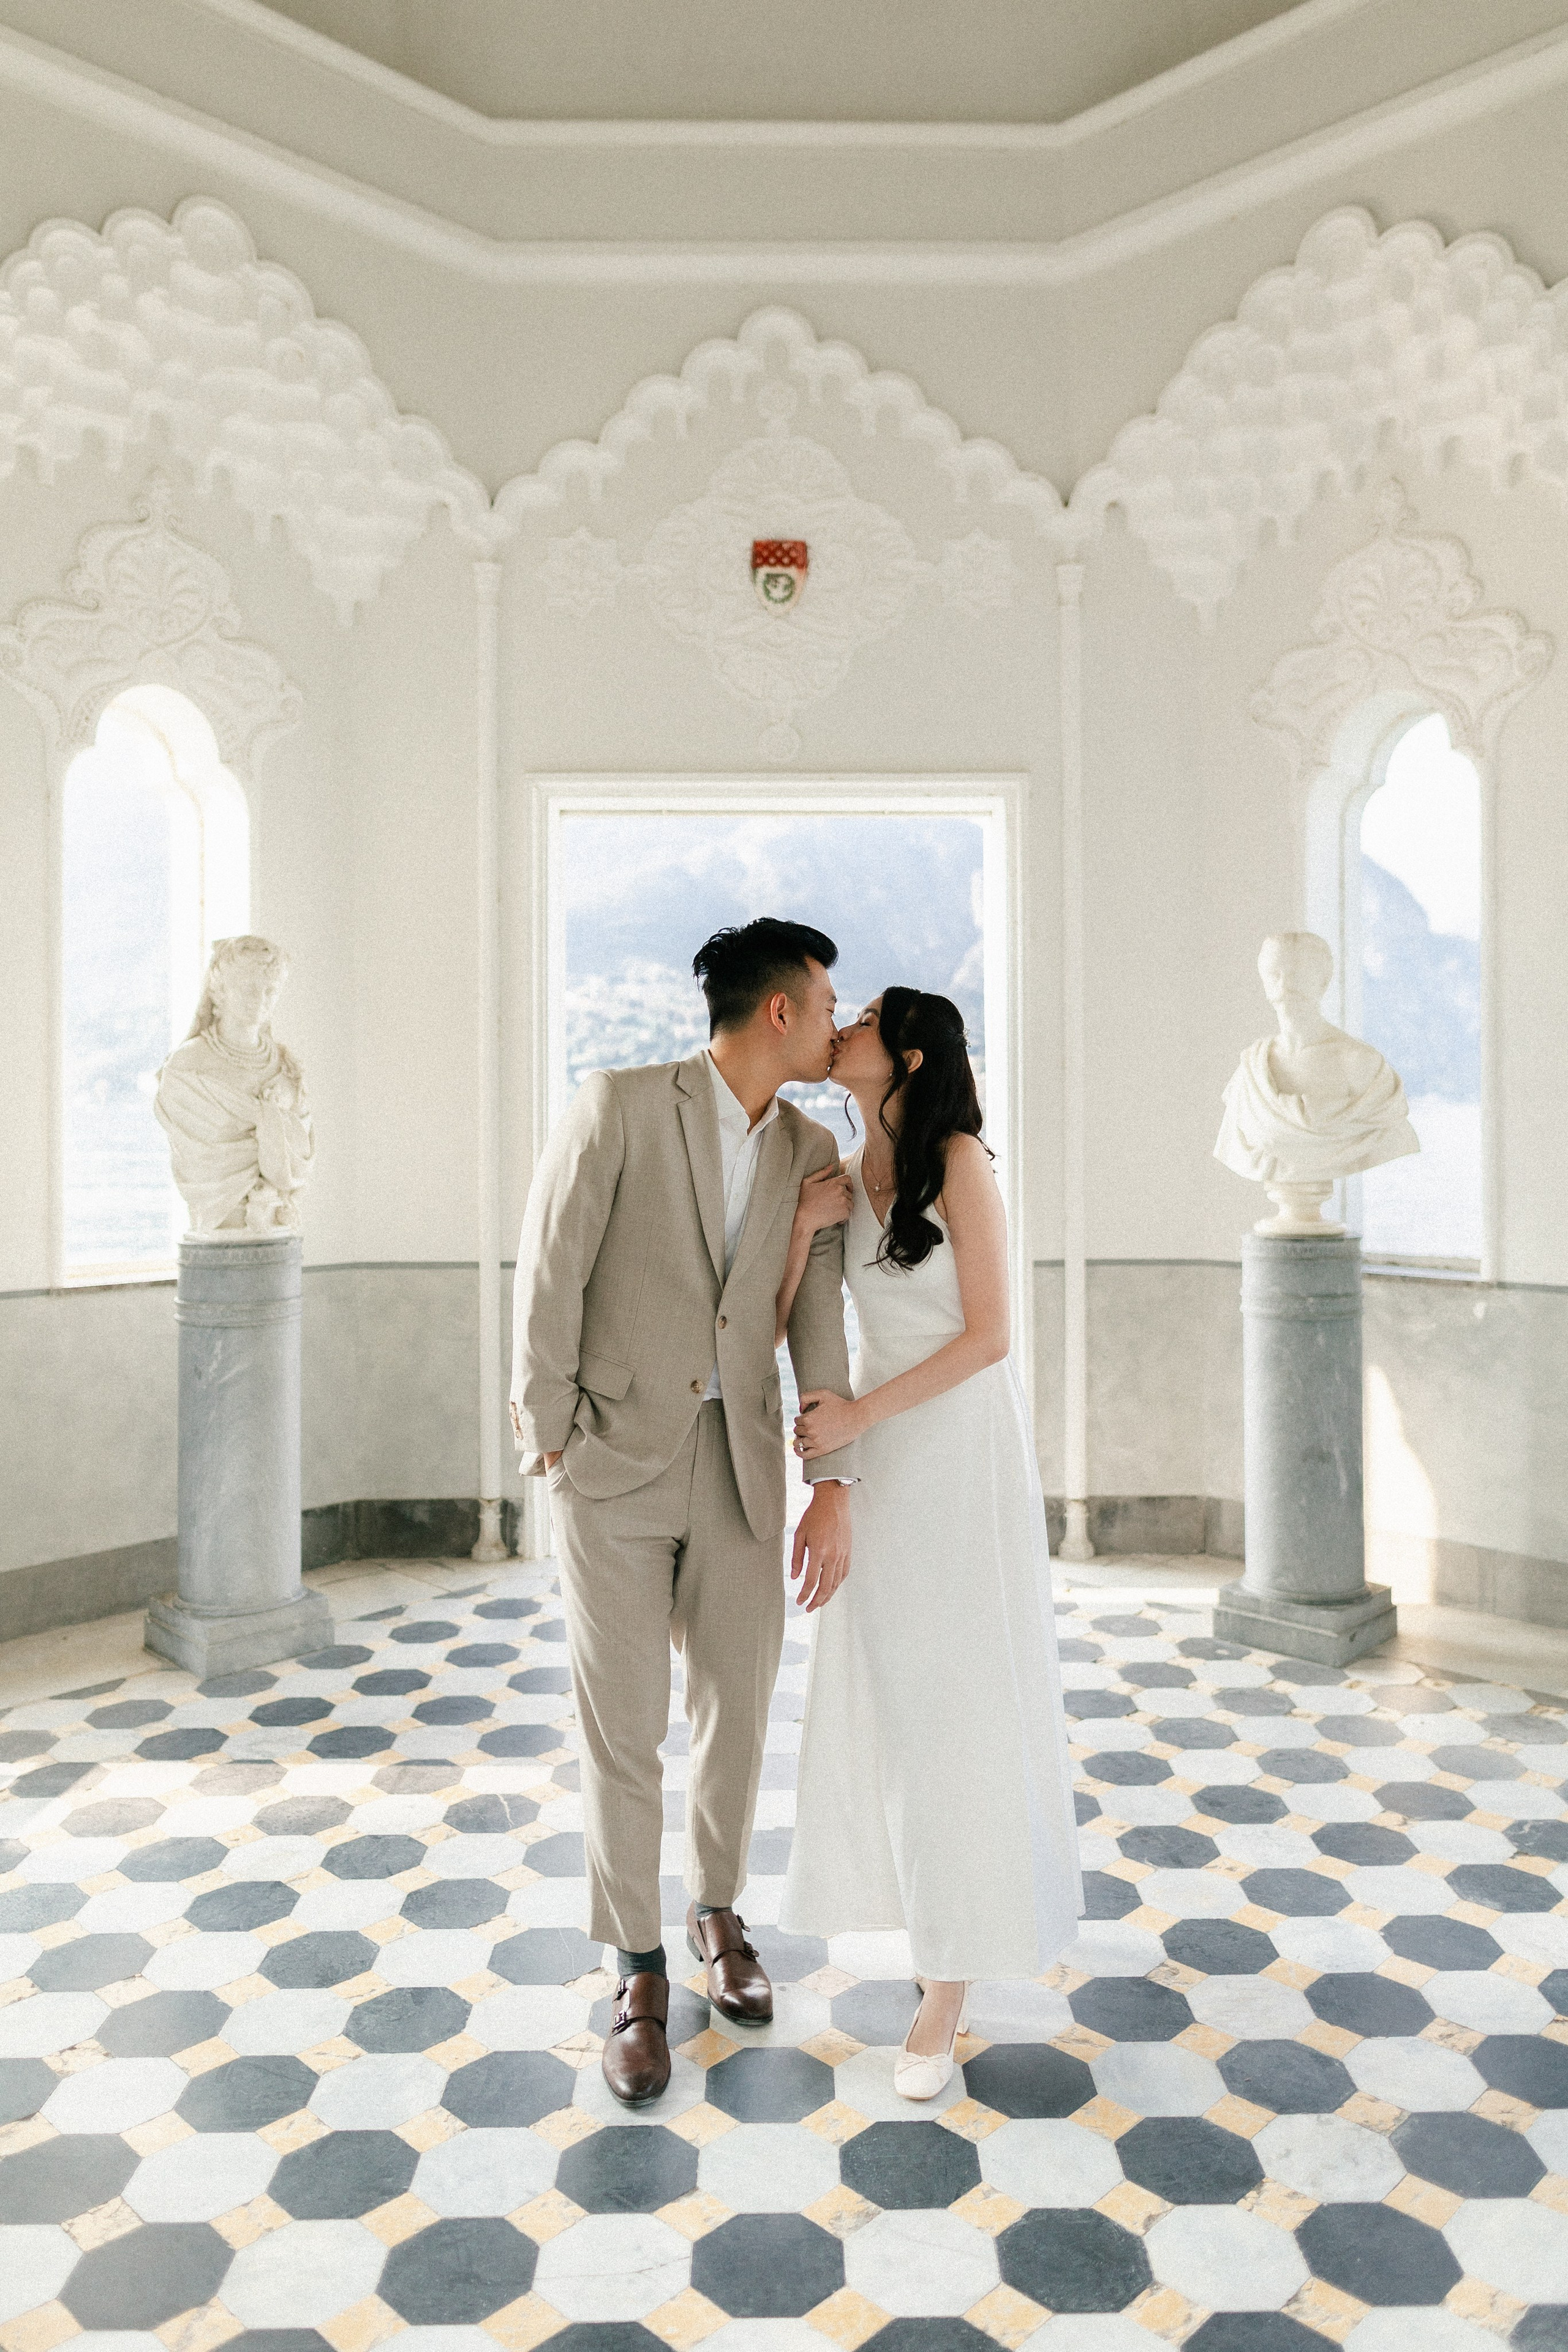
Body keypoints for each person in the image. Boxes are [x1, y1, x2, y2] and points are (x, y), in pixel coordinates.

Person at [510, 918, 859, 2106]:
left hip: (744, 1465)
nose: (831, 1020)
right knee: (622, 1724)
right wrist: (548, 1431)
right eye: (823, 1004)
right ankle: (636, 1967)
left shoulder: (812, 1144)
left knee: (738, 1710)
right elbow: (552, 1267)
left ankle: (716, 1916)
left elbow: (814, 1314)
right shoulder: (616, 1106)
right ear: (777, 1011)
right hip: (613, 1460)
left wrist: (831, 1475)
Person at [780, 986, 1082, 2098]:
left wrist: (862, 1414)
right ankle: (918, 1908)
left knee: (957, 1702)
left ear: (905, 1055)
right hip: (883, 1462)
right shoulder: (847, 1171)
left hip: (953, 1454)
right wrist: (808, 1227)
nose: (839, 1028)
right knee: (893, 1694)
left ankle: (949, 1984)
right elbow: (787, 1314)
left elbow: (992, 1336)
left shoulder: (959, 1158)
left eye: (858, 1020)